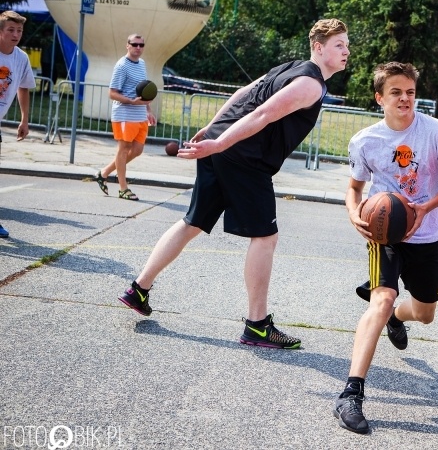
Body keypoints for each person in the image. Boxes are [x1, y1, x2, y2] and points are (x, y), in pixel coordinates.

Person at [117, 19, 350, 349]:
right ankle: (257, 325)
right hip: (243, 155)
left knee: (193, 221)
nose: (346, 51)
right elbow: (262, 114)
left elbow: (243, 93)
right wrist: (218, 142)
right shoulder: (310, 84)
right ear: (318, 47)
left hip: (225, 144)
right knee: (265, 237)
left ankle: (138, 289)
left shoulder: (290, 67)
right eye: (339, 45)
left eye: (347, 45)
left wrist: (212, 130)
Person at [333, 62, 438, 434]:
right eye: (396, 92)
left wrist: (425, 207)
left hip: (426, 234)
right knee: (380, 300)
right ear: (380, 98)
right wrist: (353, 213)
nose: (405, 98)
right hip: (386, 236)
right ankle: (351, 393)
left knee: (425, 314)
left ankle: (397, 317)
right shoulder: (365, 140)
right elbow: (355, 189)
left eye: (410, 92)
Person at [92, 34, 157, 201]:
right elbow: (112, 93)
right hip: (124, 114)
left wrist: (148, 110)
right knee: (124, 149)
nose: (138, 48)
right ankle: (123, 188)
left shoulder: (142, 64)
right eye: (134, 44)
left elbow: (143, 91)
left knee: (137, 150)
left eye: (141, 45)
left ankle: (104, 173)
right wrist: (130, 101)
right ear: (127, 45)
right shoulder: (121, 65)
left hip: (140, 115)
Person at [0, 11, 35, 239]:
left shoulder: (21, 58)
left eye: (19, 31)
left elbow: (23, 86)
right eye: (11, 30)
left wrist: (24, 118)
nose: (16, 34)